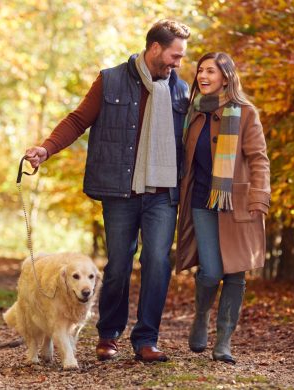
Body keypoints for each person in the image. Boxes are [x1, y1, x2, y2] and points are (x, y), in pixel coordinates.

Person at [24, 20, 191, 362]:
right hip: (121, 191)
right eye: (175, 55)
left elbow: (196, 136)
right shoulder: (111, 79)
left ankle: (146, 339)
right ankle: (109, 333)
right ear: (155, 49)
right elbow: (77, 120)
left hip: (163, 192)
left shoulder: (181, 90)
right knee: (118, 265)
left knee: (158, 261)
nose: (178, 63)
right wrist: (46, 148)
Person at [175, 52, 270, 364]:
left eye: (210, 71)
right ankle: (201, 316)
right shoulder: (193, 112)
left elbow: (258, 158)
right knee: (211, 271)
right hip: (202, 201)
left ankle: (224, 342)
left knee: (235, 275)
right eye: (200, 70)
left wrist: (260, 196)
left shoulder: (245, 112)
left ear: (226, 77)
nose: (203, 76)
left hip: (237, 204)